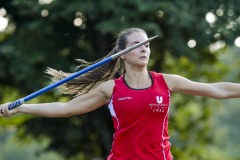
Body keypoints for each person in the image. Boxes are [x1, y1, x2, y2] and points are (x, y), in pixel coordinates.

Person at [1, 27, 240, 160]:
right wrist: (21, 107)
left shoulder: (166, 82)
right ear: (122, 54)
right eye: (137, 45)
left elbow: (216, 89)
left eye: (146, 44)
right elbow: (66, 109)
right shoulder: (111, 89)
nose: (144, 49)